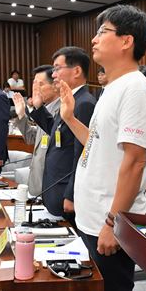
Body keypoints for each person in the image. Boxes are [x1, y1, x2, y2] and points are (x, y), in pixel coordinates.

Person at [59, 4, 146, 291]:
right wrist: (71, 119)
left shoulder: (136, 89)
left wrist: (112, 223)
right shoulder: (113, 87)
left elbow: (134, 162)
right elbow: (98, 145)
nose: (94, 39)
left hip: (109, 222)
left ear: (127, 41)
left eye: (103, 32)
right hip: (92, 218)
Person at [28, 47, 95, 220]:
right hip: (54, 188)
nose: (54, 74)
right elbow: (56, 132)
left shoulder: (84, 103)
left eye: (57, 68)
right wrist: (38, 108)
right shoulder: (70, 98)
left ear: (77, 71)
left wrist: (71, 195)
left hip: (65, 193)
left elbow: (82, 154)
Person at [13, 65, 60, 196]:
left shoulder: (62, 110)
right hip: (36, 182)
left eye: (40, 84)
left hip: (51, 183)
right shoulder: (45, 109)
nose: (36, 90)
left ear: (55, 85)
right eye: (34, 84)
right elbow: (31, 138)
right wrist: (22, 115)